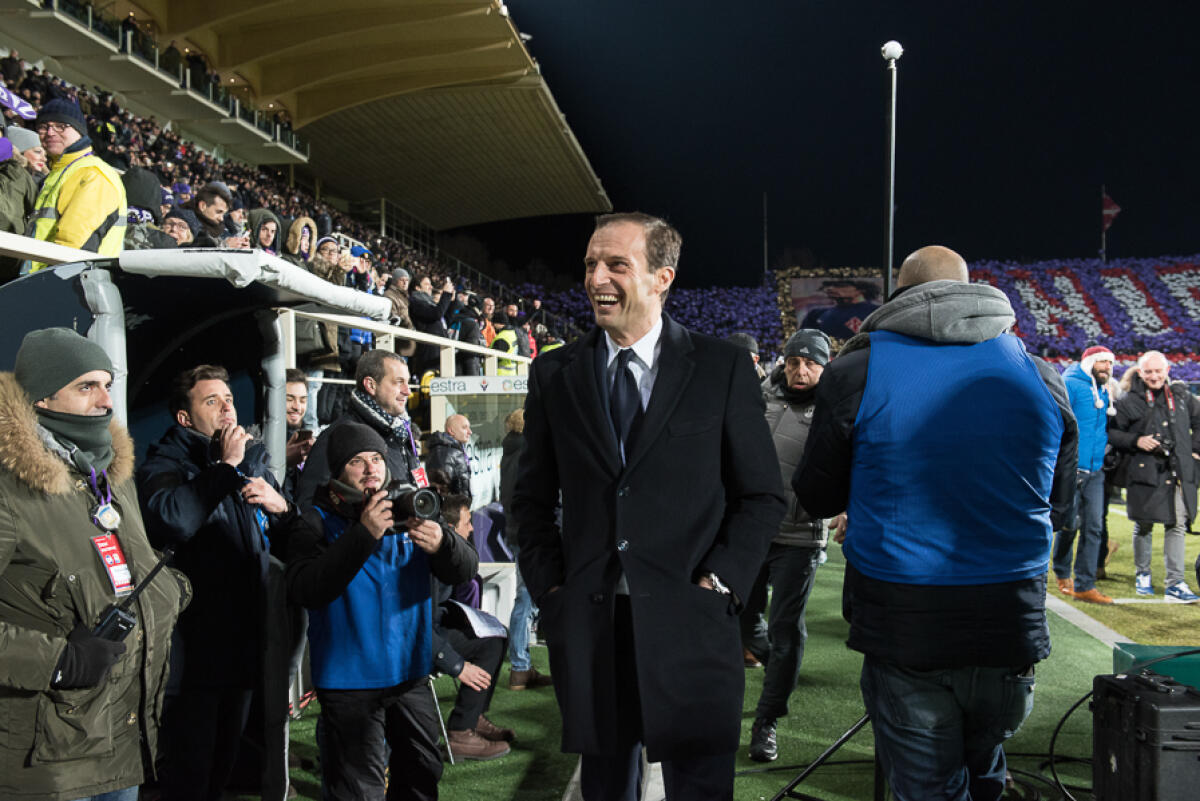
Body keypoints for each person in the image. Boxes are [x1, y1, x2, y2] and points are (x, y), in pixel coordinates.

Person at [513, 212, 785, 801]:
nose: (597, 277)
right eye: (590, 264)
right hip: (591, 628)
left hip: (692, 623)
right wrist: (551, 592)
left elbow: (762, 494)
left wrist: (721, 582)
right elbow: (528, 500)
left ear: (662, 277)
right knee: (606, 789)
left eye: (616, 264)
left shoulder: (722, 368)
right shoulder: (554, 372)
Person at [794, 245, 1077, 801]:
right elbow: (1060, 505)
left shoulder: (858, 368)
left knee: (927, 788)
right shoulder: (1040, 373)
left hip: (907, 619)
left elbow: (817, 494)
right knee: (986, 771)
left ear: (899, 296)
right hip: (1011, 617)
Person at [0, 328, 187, 801]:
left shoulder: (110, 470)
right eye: (87, 386)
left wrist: (173, 592)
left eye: (107, 384)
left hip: (121, 733)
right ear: (43, 395)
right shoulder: (8, 485)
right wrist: (57, 661)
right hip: (45, 757)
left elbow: (127, 565)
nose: (106, 401)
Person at [284, 423, 477, 800]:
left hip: (410, 674)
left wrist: (442, 544)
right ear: (338, 472)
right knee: (359, 791)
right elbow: (306, 588)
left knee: (423, 774)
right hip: (349, 683)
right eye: (357, 462)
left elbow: (466, 568)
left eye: (376, 458)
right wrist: (363, 535)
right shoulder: (315, 522)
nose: (371, 468)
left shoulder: (412, 511)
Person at [138, 364, 295, 801]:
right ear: (185, 418)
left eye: (228, 399)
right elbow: (174, 519)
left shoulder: (254, 461)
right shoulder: (165, 462)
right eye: (212, 401)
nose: (227, 408)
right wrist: (225, 468)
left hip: (247, 640)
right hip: (194, 654)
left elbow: (287, 536)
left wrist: (284, 508)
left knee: (224, 766)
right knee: (190, 772)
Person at [744, 329, 837, 763]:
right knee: (742, 622)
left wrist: (846, 506)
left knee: (785, 627)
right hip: (753, 528)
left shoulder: (835, 408)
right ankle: (780, 661)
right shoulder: (758, 397)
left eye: (811, 363)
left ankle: (767, 720)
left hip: (800, 536)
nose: (801, 370)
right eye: (794, 361)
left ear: (824, 366)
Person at [1108, 350, 1200, 603]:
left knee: (1177, 524)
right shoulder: (1128, 401)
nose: (1154, 376)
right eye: (1148, 371)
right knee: (1144, 524)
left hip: (1178, 471)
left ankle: (1175, 582)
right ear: (1140, 372)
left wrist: (1194, 451)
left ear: (1167, 371)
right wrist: (1136, 440)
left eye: (1158, 371)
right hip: (1144, 472)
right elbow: (1113, 434)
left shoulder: (1181, 397)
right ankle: (1143, 574)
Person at [432, 494, 516, 760]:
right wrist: (456, 664)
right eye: (467, 523)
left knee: (496, 635)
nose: (471, 529)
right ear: (451, 527)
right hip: (422, 640)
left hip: (433, 630)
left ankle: (473, 716)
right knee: (490, 642)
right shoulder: (433, 558)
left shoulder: (452, 555)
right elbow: (417, 625)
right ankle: (460, 732)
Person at [296, 349, 422, 510]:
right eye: (398, 382)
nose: (408, 391)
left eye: (407, 382)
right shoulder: (338, 437)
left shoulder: (400, 432)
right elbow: (308, 510)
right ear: (371, 385)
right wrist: (363, 530)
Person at [26, 99, 127, 272]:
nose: (50, 132)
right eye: (43, 126)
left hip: (62, 286)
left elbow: (73, 247)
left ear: (79, 130)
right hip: (39, 281)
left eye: (61, 126)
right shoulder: (59, 173)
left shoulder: (93, 174)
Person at [1052, 345, 1116, 604]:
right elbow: (1058, 423)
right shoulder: (1070, 384)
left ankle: (1085, 584)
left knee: (1094, 527)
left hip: (1095, 471)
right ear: (1089, 362)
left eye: (1110, 364)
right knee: (1069, 524)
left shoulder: (1102, 388)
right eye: (1102, 363)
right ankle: (1061, 569)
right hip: (1072, 468)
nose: (1107, 368)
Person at [499, 407, 553, 691]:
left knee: (528, 598)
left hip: (517, 533)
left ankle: (522, 666)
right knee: (528, 599)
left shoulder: (509, 453)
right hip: (531, 534)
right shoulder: (526, 455)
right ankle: (519, 666)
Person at [798, 280, 881, 340]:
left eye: (840, 285)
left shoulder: (876, 311)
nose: (830, 288)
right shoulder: (816, 313)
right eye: (829, 285)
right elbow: (803, 341)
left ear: (860, 290)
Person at [425, 413, 473, 499]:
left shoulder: (454, 449)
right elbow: (442, 491)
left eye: (469, 427)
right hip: (452, 510)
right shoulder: (443, 454)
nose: (470, 432)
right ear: (451, 431)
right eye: (464, 427)